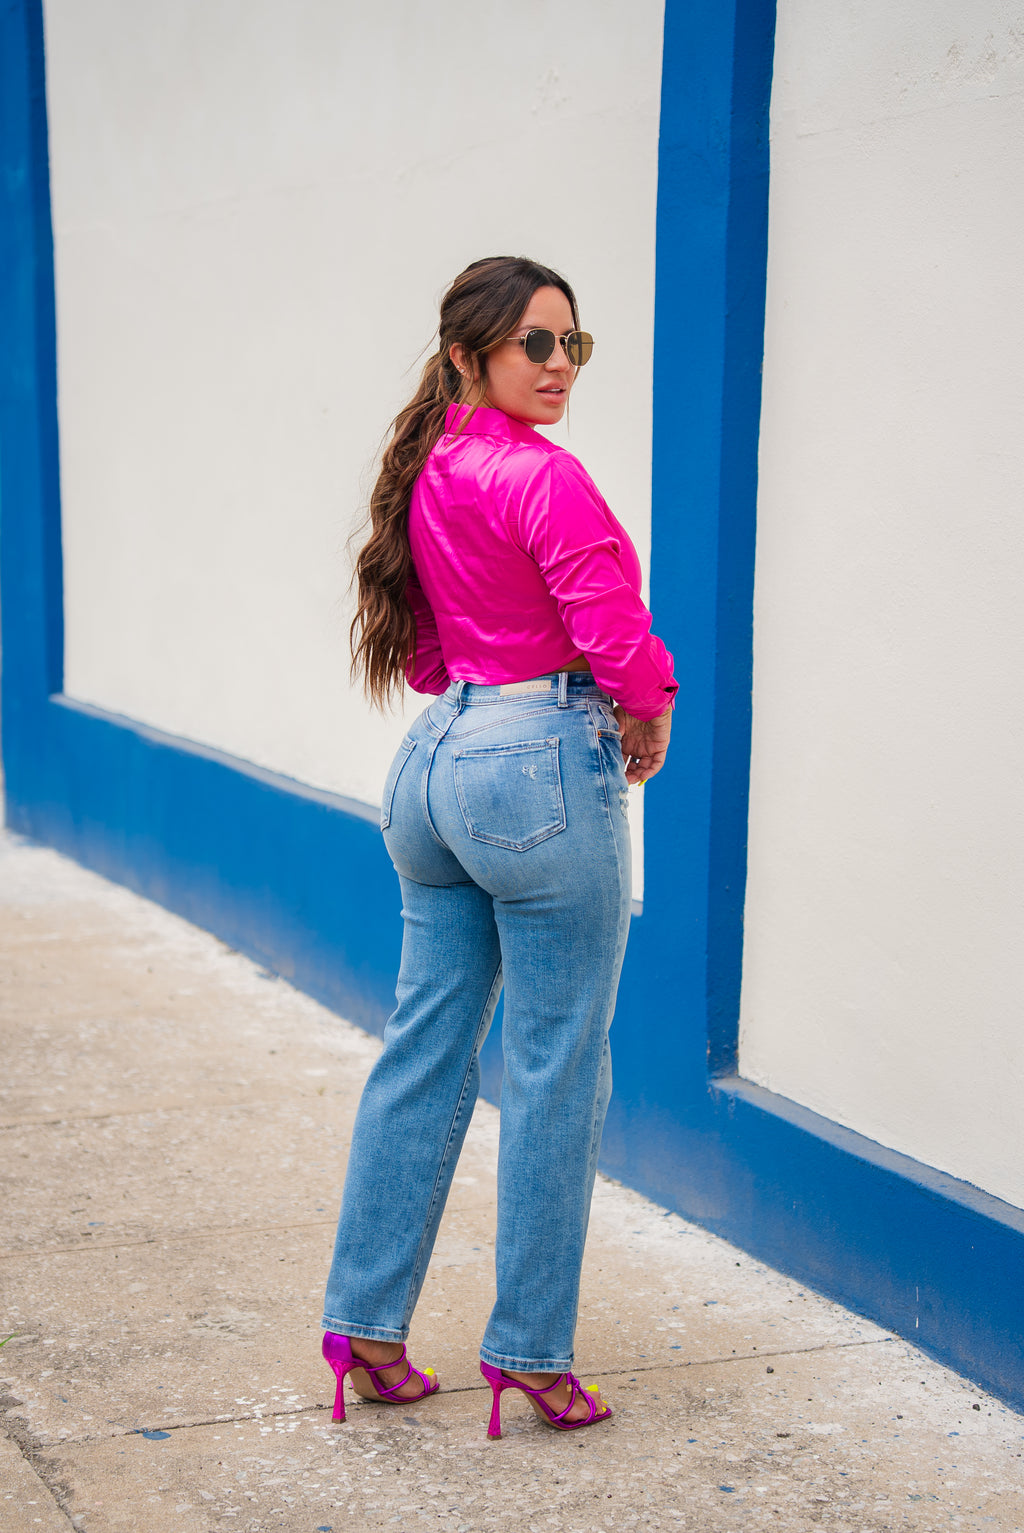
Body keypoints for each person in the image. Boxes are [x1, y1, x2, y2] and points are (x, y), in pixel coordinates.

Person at [321, 256, 676, 1437]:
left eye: (576, 344)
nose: (561, 365)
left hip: (435, 765)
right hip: (538, 771)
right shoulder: (541, 476)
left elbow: (428, 652)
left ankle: (364, 1329)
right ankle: (530, 1351)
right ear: (471, 352)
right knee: (556, 1067)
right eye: (537, 344)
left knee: (423, 1050)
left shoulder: (427, 473)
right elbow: (608, 626)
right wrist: (646, 707)